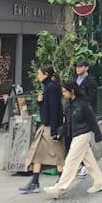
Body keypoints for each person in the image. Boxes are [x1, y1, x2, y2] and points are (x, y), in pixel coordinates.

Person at [44, 81, 102, 198]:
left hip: (83, 134)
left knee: (71, 161)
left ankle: (60, 187)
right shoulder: (70, 106)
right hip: (77, 135)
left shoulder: (83, 104)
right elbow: (67, 124)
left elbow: (92, 119)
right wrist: (60, 134)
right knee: (89, 160)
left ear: (72, 91)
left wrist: (98, 134)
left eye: (65, 91)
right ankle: (99, 182)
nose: (63, 94)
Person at [19, 65, 64, 194]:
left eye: (39, 73)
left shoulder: (51, 88)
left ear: (45, 74)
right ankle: (35, 182)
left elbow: (54, 109)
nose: (37, 76)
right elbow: (48, 107)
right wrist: (40, 102)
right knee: (37, 153)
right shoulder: (49, 87)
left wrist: (54, 130)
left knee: (58, 155)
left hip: (51, 127)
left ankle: (61, 180)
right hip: (46, 126)